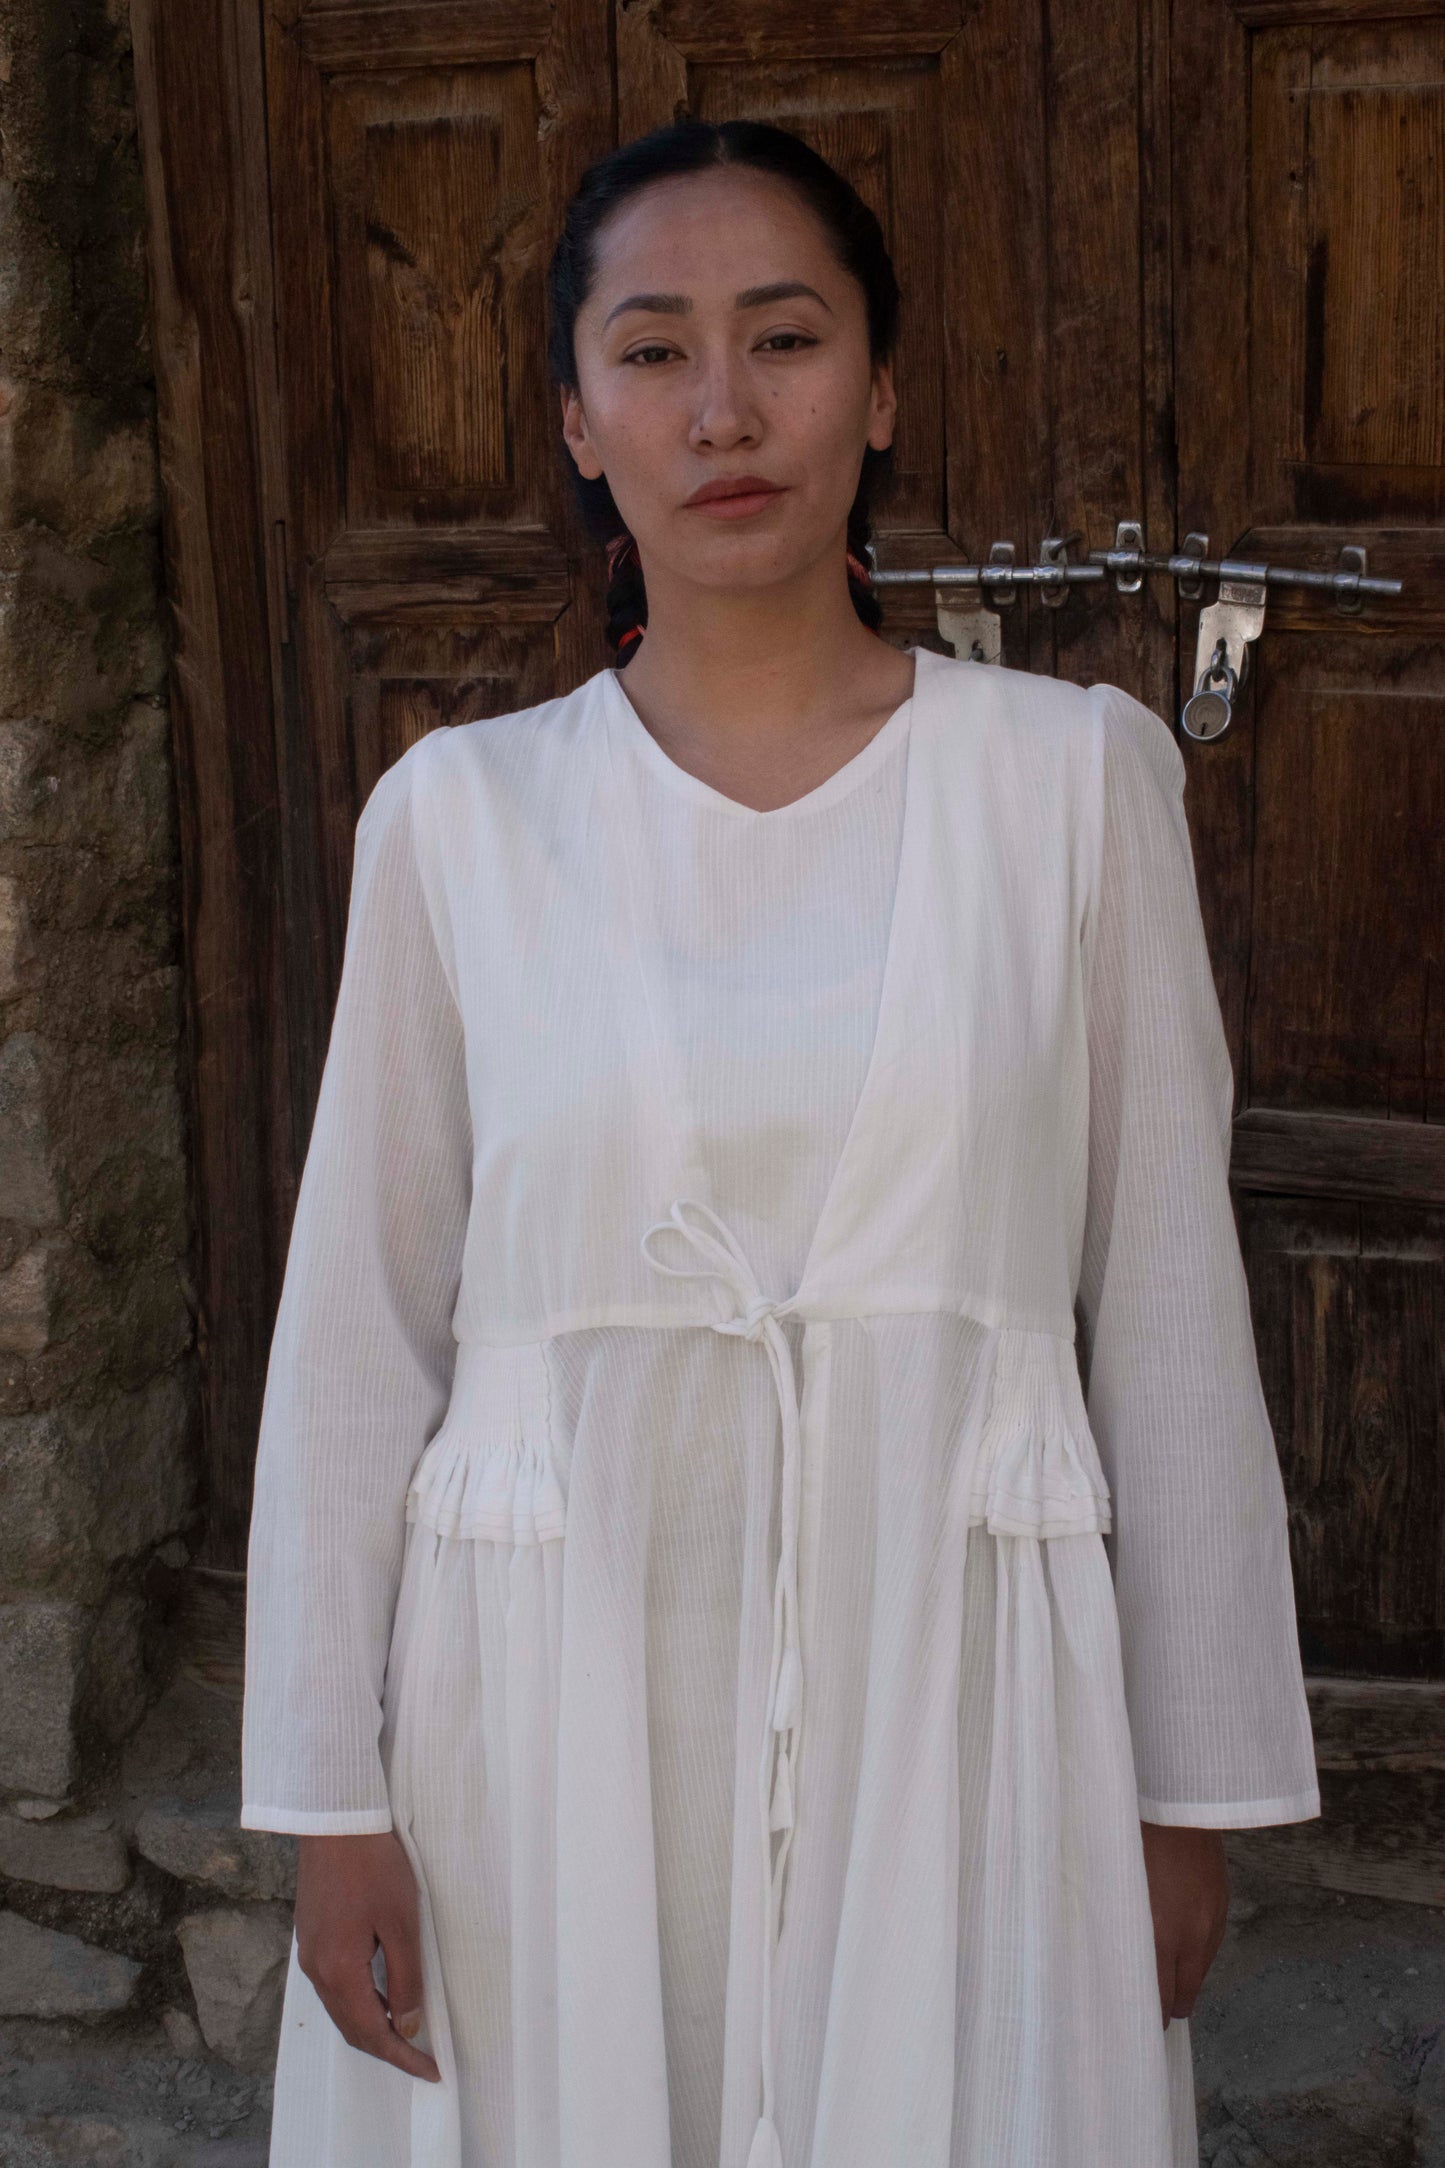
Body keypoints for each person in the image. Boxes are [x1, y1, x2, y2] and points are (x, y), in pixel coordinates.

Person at [240, 117, 1320, 2168]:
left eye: (787, 338)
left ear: (881, 390)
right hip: (543, 1708)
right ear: (578, 423)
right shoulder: (458, 822)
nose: (722, 410)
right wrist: (328, 1798)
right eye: (653, 351)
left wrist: (1187, 1792)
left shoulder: (1071, 789)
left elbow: (1172, 1304)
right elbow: (360, 1330)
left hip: (961, 1691)